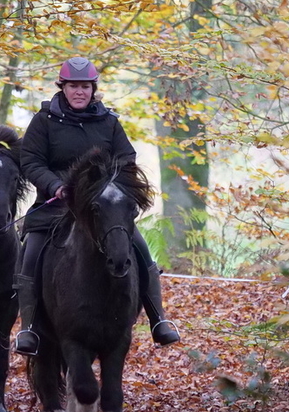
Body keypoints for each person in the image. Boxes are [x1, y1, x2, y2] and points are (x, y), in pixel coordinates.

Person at [13, 56, 181, 356]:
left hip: (102, 209)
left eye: (85, 87)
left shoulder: (109, 122)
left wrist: (108, 186)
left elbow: (126, 158)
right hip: (55, 206)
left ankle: (159, 319)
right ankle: (28, 328)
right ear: (62, 87)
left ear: (94, 89)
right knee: (31, 255)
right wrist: (55, 185)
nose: (80, 92)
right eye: (74, 86)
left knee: (140, 250)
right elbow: (30, 161)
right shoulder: (44, 121)